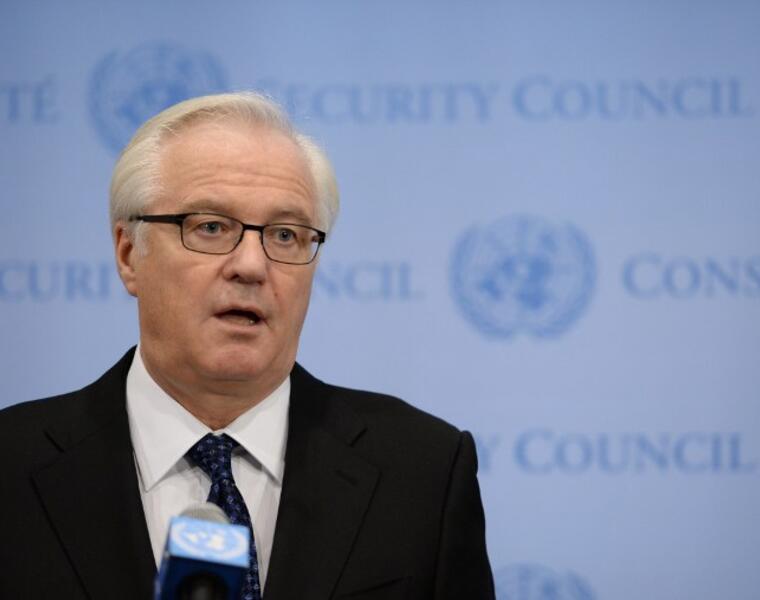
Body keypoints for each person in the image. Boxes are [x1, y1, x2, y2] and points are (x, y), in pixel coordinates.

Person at [0, 92, 495, 599]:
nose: (252, 266)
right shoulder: (10, 466)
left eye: (285, 235)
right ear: (129, 254)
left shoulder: (424, 472)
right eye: (211, 227)